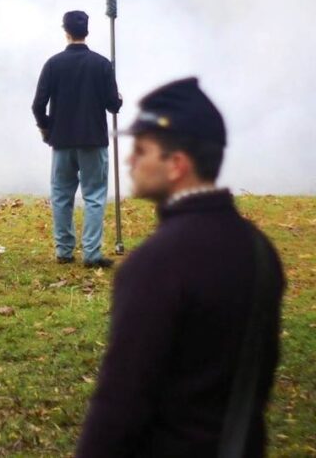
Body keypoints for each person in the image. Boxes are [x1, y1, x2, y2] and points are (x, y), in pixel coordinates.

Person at [77, 77, 285, 457]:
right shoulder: (260, 250)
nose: (129, 160)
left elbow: (120, 403)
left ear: (176, 165)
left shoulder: (155, 264)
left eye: (141, 150)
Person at [32, 10, 122, 267]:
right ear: (87, 32)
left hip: (61, 141)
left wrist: (46, 128)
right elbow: (112, 105)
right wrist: (120, 100)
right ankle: (92, 254)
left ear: (66, 31)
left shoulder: (53, 64)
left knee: (61, 195)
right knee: (94, 196)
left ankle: (64, 251)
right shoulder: (103, 64)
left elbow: (38, 105)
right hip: (93, 140)